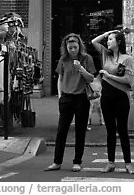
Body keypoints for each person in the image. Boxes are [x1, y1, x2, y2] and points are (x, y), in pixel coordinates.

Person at [45, 33, 96, 172]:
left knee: (80, 131)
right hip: (67, 97)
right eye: (70, 47)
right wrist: (60, 96)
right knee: (62, 131)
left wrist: (81, 68)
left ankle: (77, 161)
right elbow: (60, 78)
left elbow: (91, 78)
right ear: (66, 47)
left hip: (81, 98)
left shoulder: (86, 59)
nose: (72, 50)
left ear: (79, 46)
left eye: (75, 47)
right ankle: (57, 162)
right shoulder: (63, 59)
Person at [91, 29, 134, 174]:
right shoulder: (106, 55)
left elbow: (128, 80)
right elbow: (94, 42)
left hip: (121, 97)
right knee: (110, 130)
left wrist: (108, 75)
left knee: (122, 130)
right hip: (107, 96)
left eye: (111, 39)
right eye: (108, 39)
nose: (108, 41)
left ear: (119, 42)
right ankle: (110, 162)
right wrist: (107, 32)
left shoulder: (126, 59)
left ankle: (128, 163)